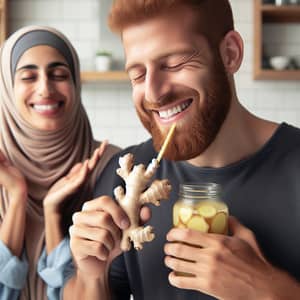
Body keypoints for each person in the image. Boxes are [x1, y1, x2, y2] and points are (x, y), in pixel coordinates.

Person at [66, 1, 300, 299]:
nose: (153, 93)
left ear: (230, 54)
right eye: (137, 75)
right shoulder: (124, 179)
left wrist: (265, 290)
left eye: (174, 64)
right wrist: (89, 276)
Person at [0, 25, 120, 300]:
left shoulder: (112, 168)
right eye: (28, 77)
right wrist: (17, 198)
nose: (45, 88)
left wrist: (52, 214)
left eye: (59, 74)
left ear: (76, 83)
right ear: (7, 88)